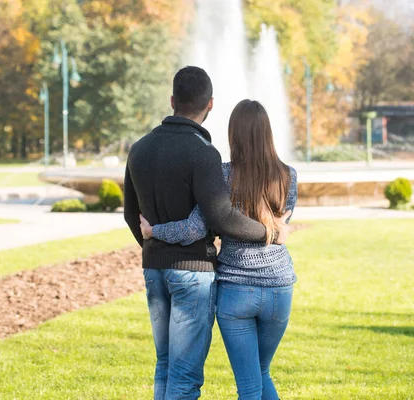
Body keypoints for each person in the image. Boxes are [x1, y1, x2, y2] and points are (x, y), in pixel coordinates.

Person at [123, 67, 290, 400]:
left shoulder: (138, 149)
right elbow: (221, 217)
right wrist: (269, 233)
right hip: (193, 274)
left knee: (165, 365)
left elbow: (131, 214)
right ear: (210, 105)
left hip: (154, 270)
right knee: (185, 375)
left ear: (172, 100)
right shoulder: (203, 153)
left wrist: (152, 240)